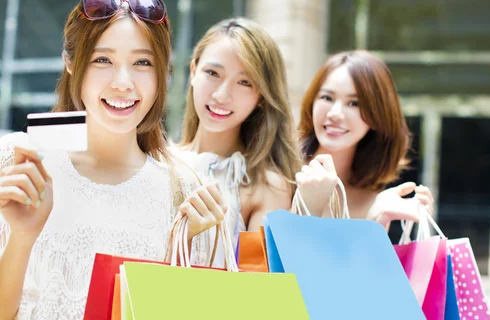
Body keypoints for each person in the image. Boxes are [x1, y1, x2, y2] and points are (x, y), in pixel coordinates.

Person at [0, 0, 225, 319]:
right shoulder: (22, 158)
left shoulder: (184, 188)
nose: (123, 82)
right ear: (71, 63)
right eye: (103, 59)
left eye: (143, 62)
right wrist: (23, 235)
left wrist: (182, 249)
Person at [173, 18, 302, 264]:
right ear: (193, 72)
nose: (222, 95)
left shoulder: (264, 186)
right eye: (212, 73)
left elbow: (256, 288)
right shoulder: (156, 160)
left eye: (244, 82)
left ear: (262, 96)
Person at [295, 51, 433, 228]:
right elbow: (270, 253)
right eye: (327, 97)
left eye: (354, 103)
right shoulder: (278, 176)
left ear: (378, 117)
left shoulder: (375, 202)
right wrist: (306, 206)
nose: (335, 114)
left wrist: (378, 222)